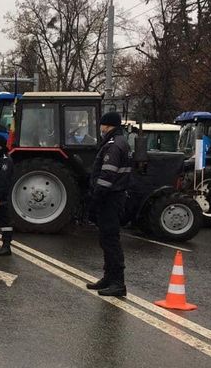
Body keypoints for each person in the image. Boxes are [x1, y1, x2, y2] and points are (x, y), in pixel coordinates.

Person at [85, 112, 131, 297]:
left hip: (110, 198)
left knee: (110, 240)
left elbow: (106, 177)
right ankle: (108, 278)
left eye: (102, 124)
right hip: (114, 196)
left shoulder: (113, 146)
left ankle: (118, 283)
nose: (100, 127)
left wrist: (95, 199)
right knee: (106, 239)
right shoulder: (120, 142)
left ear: (107, 125)